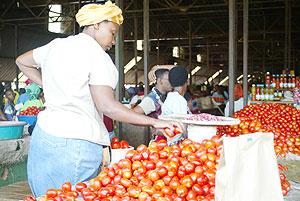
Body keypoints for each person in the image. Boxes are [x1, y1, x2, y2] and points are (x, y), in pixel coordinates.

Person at [15, 1, 181, 198]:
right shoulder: (97, 56)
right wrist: (155, 122)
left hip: (44, 137)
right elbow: (108, 107)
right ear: (96, 24)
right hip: (76, 143)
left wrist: (49, 85)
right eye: (112, 32)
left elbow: (21, 61)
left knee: (45, 196)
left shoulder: (56, 45)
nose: (113, 40)